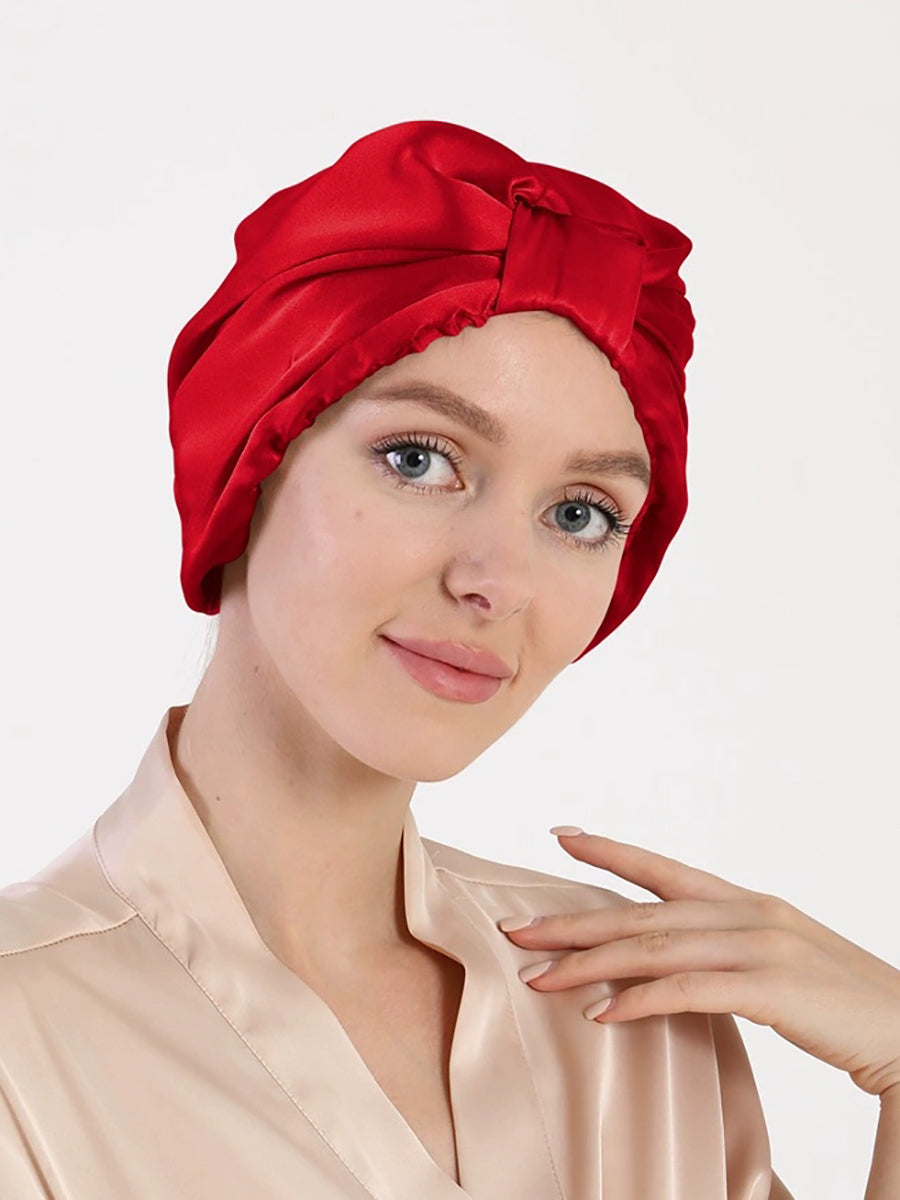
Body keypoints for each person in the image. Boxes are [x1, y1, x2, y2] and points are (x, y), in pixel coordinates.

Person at [2, 120, 898, 1199]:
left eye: (579, 512)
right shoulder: (25, 1039)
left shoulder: (637, 1012)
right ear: (251, 458)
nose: (496, 580)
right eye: (419, 459)